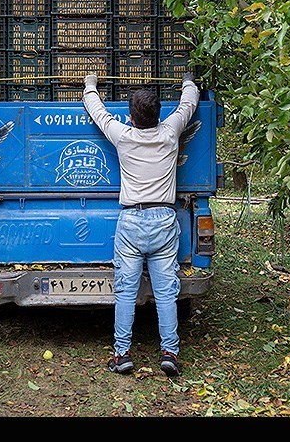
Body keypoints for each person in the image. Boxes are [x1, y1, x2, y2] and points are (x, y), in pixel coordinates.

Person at [82, 72, 199, 377]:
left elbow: (97, 112)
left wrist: (91, 85)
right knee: (165, 293)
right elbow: (188, 104)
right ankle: (170, 353)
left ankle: (122, 355)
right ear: (159, 115)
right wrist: (187, 81)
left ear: (131, 117)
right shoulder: (170, 132)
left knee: (124, 292)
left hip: (131, 221)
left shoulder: (123, 136)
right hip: (163, 220)